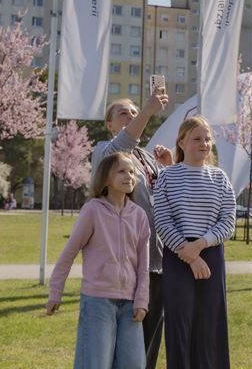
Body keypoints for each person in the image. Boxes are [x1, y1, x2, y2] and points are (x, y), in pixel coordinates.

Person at [47, 151, 150, 369]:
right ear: (105, 178)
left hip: (130, 303)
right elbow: (69, 253)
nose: (129, 176)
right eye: (121, 171)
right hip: (97, 301)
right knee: (96, 363)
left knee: (133, 363)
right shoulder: (93, 211)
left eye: (132, 172)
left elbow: (143, 265)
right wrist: (56, 291)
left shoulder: (139, 216)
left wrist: (142, 300)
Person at [92, 91, 171, 368]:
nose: (130, 116)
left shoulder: (148, 158)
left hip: (156, 261)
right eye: (123, 113)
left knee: (150, 339)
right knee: (125, 340)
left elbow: (167, 199)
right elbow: (122, 146)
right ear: (110, 125)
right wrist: (147, 111)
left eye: (134, 112)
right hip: (125, 262)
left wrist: (169, 168)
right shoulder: (104, 152)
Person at [153, 116, 236, 369]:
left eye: (207, 139)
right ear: (181, 142)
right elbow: (162, 221)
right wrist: (188, 254)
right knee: (179, 323)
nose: (204, 144)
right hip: (177, 256)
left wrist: (199, 247)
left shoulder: (220, 178)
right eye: (197, 138)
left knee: (210, 322)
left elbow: (228, 221)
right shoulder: (167, 177)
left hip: (210, 254)